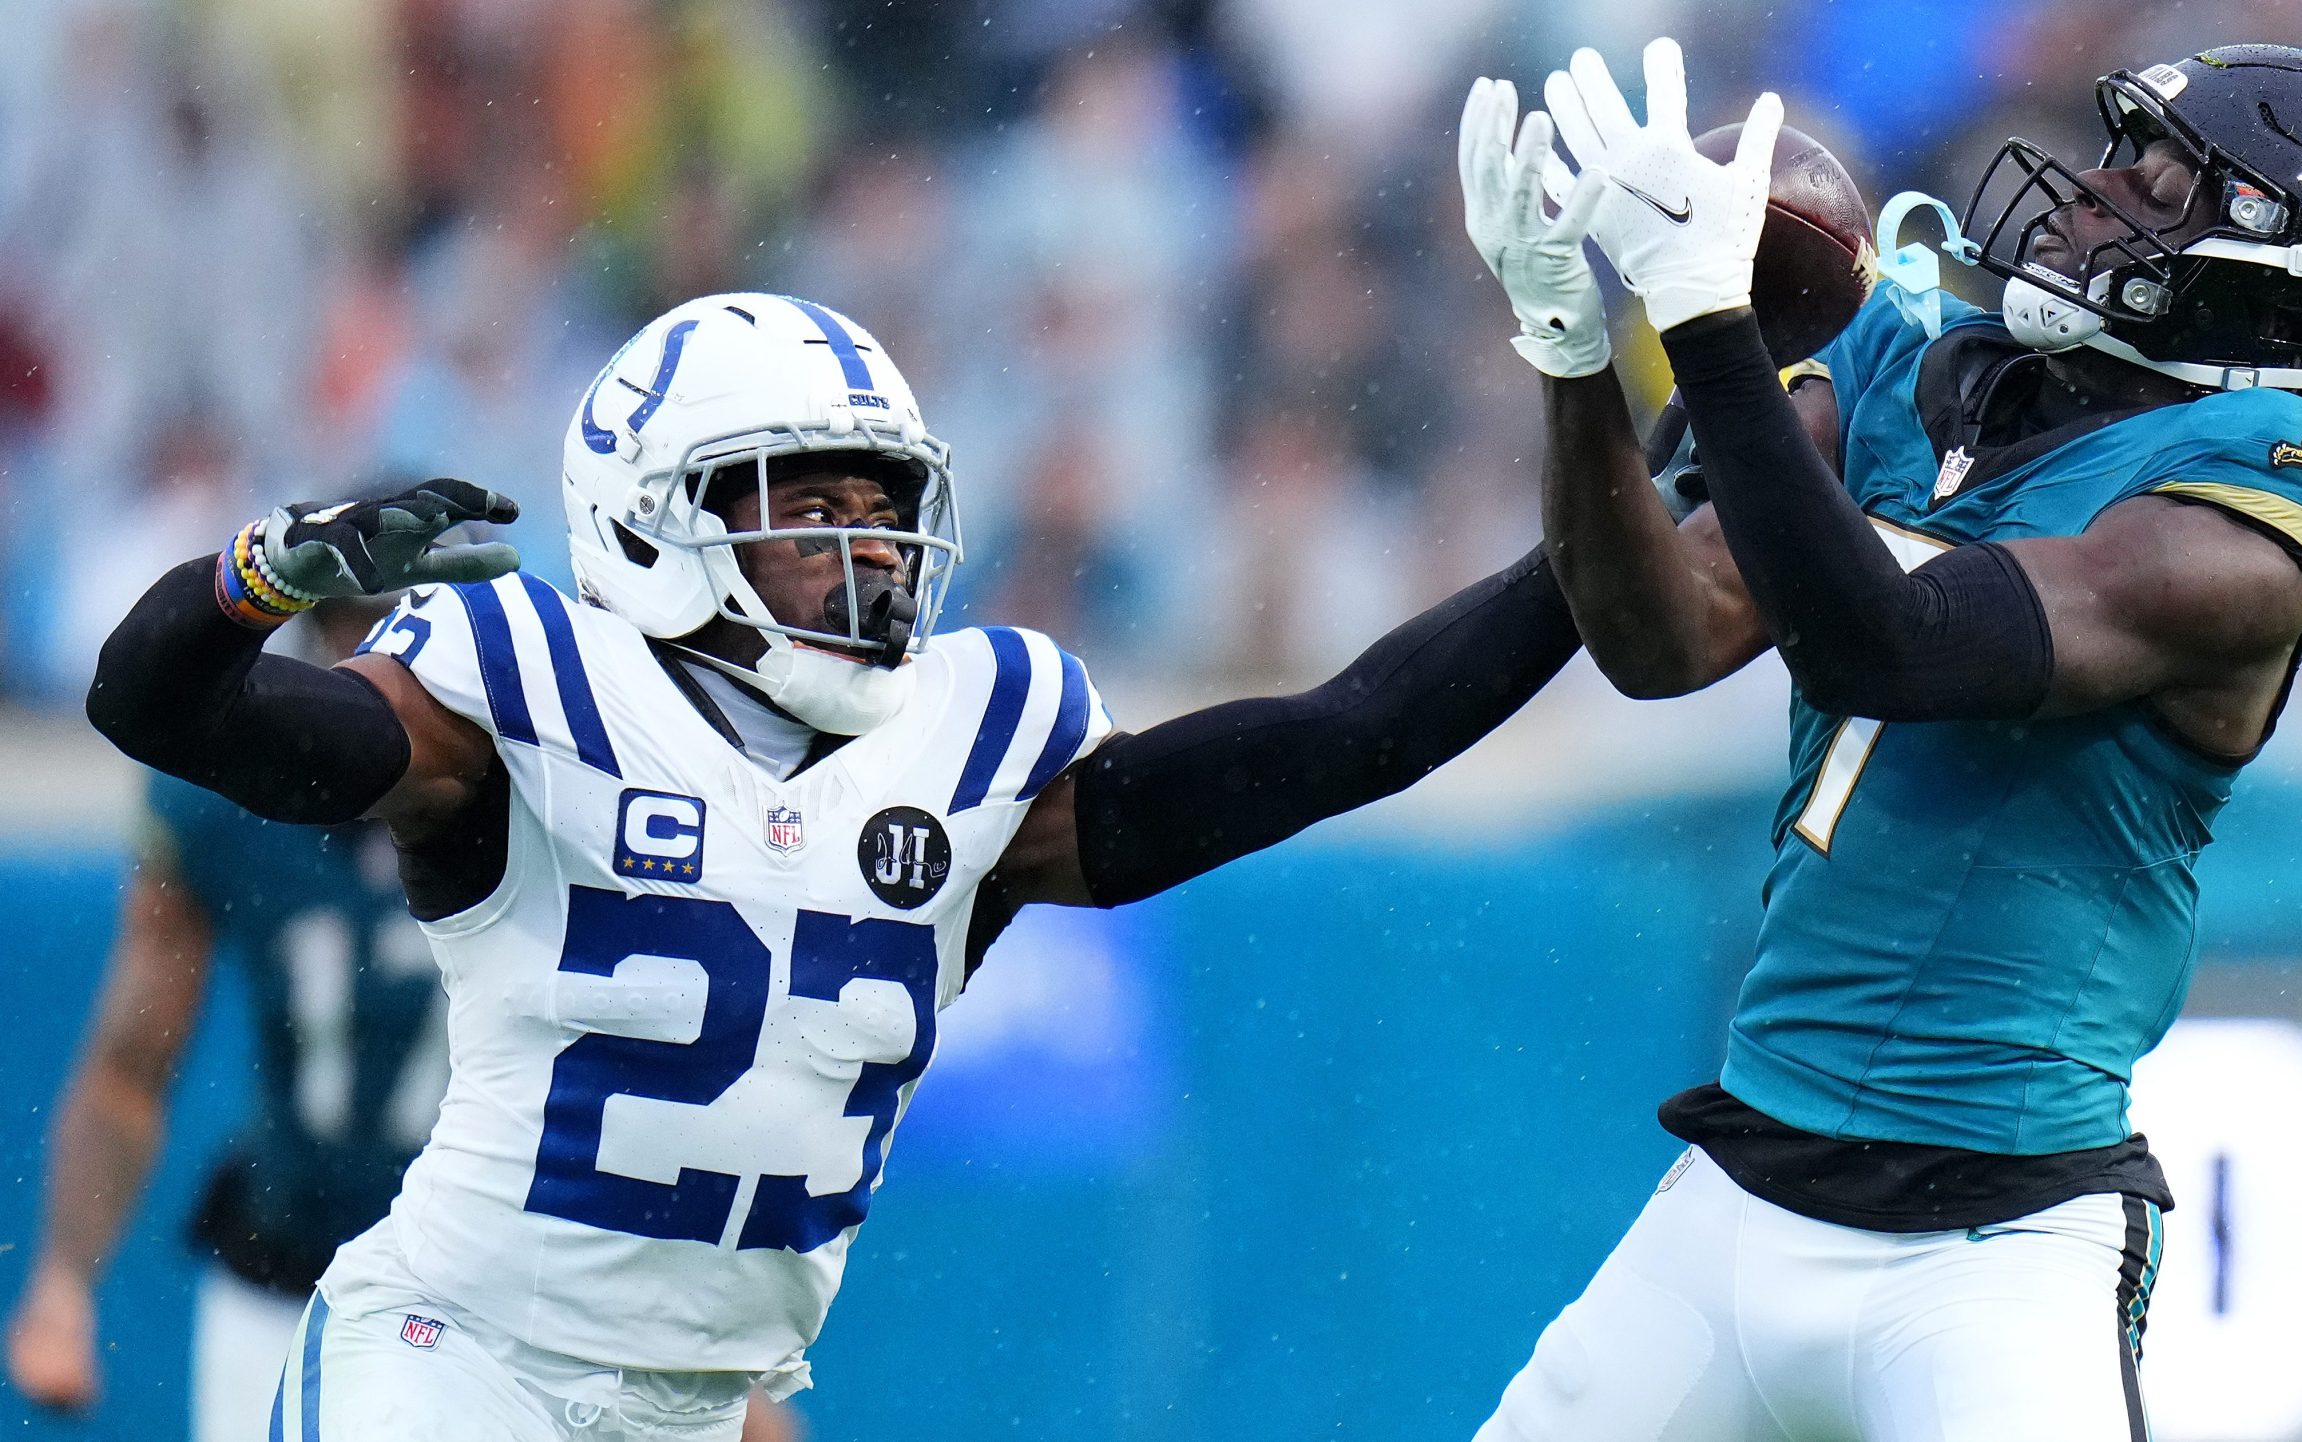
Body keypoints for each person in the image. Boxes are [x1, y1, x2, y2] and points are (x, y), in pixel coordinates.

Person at [84, 291, 1582, 1441]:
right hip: (451, 1367)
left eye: (881, 506)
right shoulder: (524, 683)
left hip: (701, 1407)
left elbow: (1355, 733)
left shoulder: (971, 740)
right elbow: (156, 707)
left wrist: (1598, 546)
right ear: (656, 516)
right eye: (808, 506)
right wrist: (257, 579)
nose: (865, 549)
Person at [1459, 40, 2302, 1439]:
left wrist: (1708, 325)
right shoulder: (1927, 371)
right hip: (1736, 1197)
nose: (2097, 187)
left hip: (1993, 1255)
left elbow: (1897, 648)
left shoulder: (2271, 490)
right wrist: (1573, 353)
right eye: (2123, 154)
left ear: (2279, 278)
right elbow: (1660, 638)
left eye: (2162, 182)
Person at [11, 598, 806, 1442]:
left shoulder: (563, 780)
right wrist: (62, 1284)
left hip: (518, 1308)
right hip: (289, 1273)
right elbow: (130, 1067)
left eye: (419, 623)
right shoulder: (230, 810)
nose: (395, 657)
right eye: (363, 621)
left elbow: (657, 1077)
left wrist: (673, 1343)